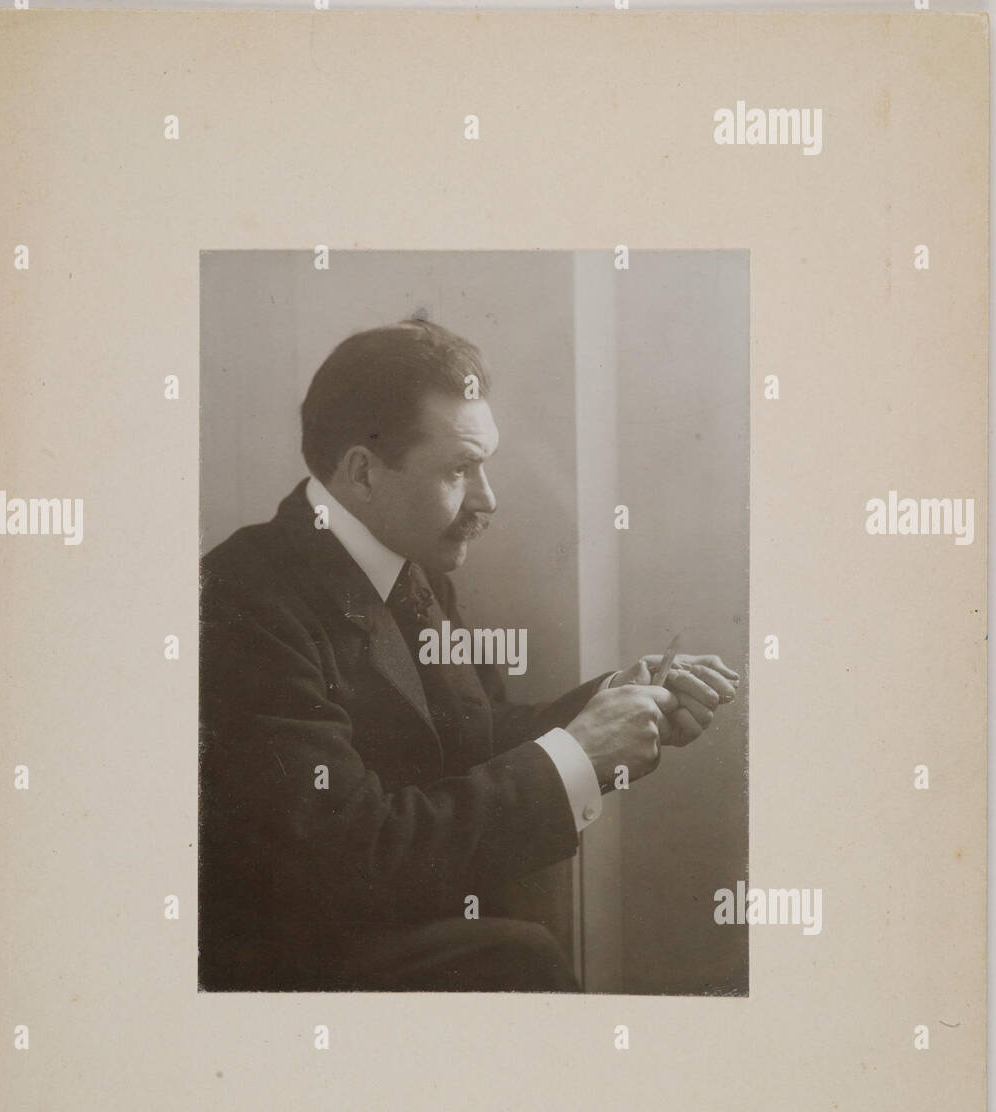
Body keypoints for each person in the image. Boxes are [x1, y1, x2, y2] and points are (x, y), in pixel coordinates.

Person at [198, 317, 739, 992]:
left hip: (407, 928)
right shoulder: (242, 601)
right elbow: (349, 855)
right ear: (362, 473)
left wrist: (610, 702)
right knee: (522, 957)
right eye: (459, 469)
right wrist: (579, 754)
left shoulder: (407, 565)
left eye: (485, 464)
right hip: (294, 968)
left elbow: (467, 738)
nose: (488, 500)